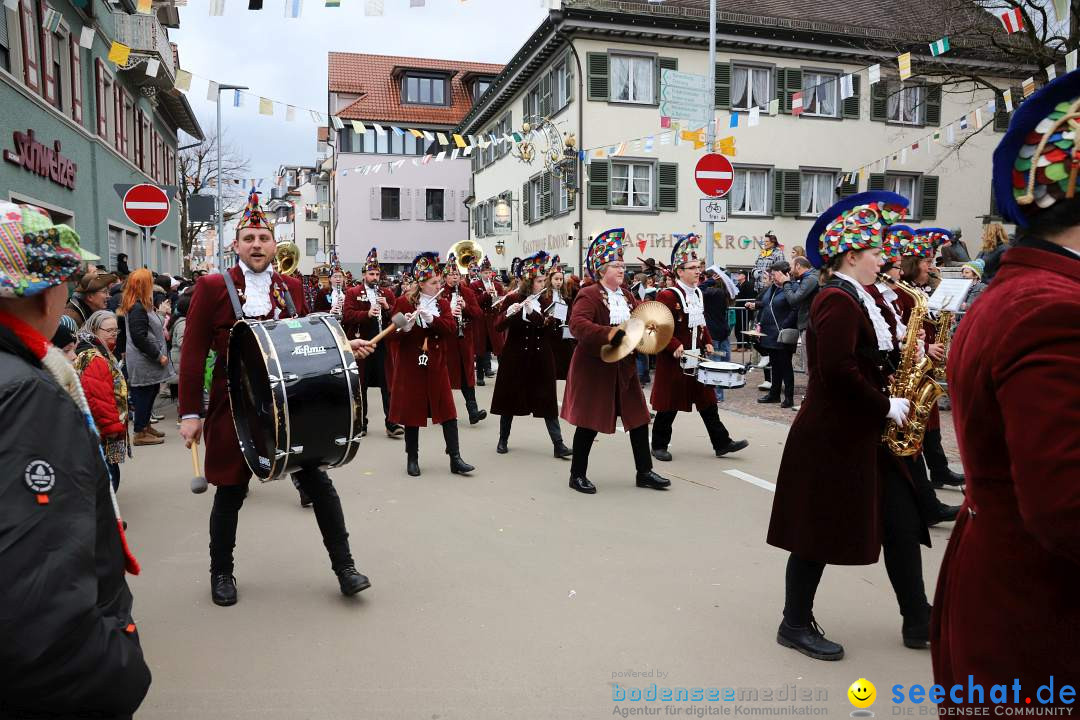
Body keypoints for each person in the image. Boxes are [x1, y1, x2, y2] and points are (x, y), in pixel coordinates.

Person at [932, 70, 1080, 706]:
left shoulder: (1014, 292)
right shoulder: (1052, 307)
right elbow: (1068, 507)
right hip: (1040, 611)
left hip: (1000, 581)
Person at [178, 190, 375, 606]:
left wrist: (343, 347)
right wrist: (190, 413)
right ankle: (222, 573)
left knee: (318, 482)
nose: (256, 245)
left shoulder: (291, 288)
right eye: (248, 238)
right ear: (236, 245)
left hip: (288, 406)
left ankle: (346, 568)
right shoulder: (213, 286)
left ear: (274, 244)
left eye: (263, 238)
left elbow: (305, 342)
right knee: (230, 492)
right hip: (235, 406)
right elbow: (193, 354)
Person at [767, 191, 933, 660]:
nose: (886, 258)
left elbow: (869, 358)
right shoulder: (835, 299)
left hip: (867, 432)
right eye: (878, 251)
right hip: (833, 433)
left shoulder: (864, 297)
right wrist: (885, 404)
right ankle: (794, 622)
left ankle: (917, 617)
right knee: (816, 528)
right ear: (853, 254)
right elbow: (837, 369)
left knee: (901, 521)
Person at [0, 202, 150, 718]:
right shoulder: (26, 395)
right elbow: (37, 585)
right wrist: (115, 668)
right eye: (67, 279)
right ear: (44, 294)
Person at [561, 228, 670, 495]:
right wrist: (610, 333)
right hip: (595, 369)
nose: (622, 269)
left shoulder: (627, 295)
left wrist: (651, 332)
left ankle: (644, 472)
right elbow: (578, 325)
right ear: (601, 270)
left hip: (624, 368)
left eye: (622, 265)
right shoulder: (589, 294)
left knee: (638, 419)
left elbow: (639, 321)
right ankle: (577, 475)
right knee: (589, 422)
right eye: (615, 265)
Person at [649, 235, 748, 462]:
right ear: (679, 271)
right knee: (669, 405)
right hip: (674, 358)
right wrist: (674, 345)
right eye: (692, 268)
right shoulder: (667, 295)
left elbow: (701, 322)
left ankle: (722, 442)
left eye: (698, 267)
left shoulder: (698, 293)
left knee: (707, 401)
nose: (697, 271)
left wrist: (708, 341)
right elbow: (658, 326)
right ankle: (658, 445)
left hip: (697, 357)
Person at [387, 252, 476, 478]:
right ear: (421, 284)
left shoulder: (442, 303)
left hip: (437, 362)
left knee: (447, 410)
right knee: (413, 413)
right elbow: (391, 336)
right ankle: (412, 457)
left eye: (439, 281)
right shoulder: (404, 302)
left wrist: (431, 319)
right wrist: (404, 327)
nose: (439, 285)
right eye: (434, 282)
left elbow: (449, 329)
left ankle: (455, 458)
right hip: (412, 365)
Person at [897, 229, 965, 491]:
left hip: (927, 357)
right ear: (914, 264)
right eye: (928, 262)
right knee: (921, 416)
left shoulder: (922, 288)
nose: (932, 266)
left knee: (931, 415)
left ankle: (939, 468)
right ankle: (929, 474)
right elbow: (901, 328)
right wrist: (926, 346)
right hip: (914, 358)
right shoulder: (904, 292)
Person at [492, 251, 572, 458]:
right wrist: (512, 313)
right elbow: (498, 326)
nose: (543, 284)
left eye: (544, 280)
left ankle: (558, 444)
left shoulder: (547, 300)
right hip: (515, 355)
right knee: (509, 399)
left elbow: (553, 329)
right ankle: (503, 439)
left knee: (547, 399)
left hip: (540, 355)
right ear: (529, 282)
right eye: (539, 281)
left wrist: (534, 314)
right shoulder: (513, 299)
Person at [342, 249, 402, 438]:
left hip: (382, 344)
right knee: (362, 384)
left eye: (377, 274)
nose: (374, 277)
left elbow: (396, 318)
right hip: (362, 344)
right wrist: (366, 314)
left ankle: (391, 423)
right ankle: (361, 423)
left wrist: (387, 308)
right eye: (371, 274)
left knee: (387, 384)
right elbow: (347, 315)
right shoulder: (353, 292)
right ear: (364, 275)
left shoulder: (387, 293)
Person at [75, 310, 129, 493]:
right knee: (109, 475)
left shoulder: (98, 351)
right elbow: (99, 398)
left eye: (116, 331)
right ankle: (108, 519)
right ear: (95, 329)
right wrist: (113, 429)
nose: (114, 334)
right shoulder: (95, 357)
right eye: (109, 331)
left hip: (104, 428)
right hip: (104, 430)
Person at [117, 269, 169, 447]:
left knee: (150, 391)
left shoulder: (138, 305)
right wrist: (158, 355)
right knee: (143, 395)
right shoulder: (137, 307)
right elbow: (139, 337)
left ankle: (145, 427)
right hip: (145, 359)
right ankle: (140, 432)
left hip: (145, 359)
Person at [442, 255, 488, 425]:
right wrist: (450, 310)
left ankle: (473, 411)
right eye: (451, 274)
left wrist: (466, 307)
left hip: (464, 340)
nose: (455, 277)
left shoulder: (467, 292)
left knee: (466, 375)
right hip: (446, 340)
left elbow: (478, 314)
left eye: (457, 275)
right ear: (445, 277)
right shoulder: (441, 294)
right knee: (444, 376)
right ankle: (440, 411)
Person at [747, 261, 798, 407]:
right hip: (769, 333)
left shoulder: (792, 287)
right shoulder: (773, 288)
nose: (772, 277)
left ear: (783, 273)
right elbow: (767, 303)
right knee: (775, 365)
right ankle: (774, 394)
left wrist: (785, 325)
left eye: (774, 273)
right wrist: (755, 305)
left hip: (782, 334)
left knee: (785, 366)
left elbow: (795, 308)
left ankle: (788, 397)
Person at [470, 256, 505, 385]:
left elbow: (501, 302)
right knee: (481, 349)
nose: (488, 275)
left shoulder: (497, 285)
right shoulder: (474, 285)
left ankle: (504, 376)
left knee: (499, 349)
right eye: (485, 273)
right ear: (480, 273)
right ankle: (479, 376)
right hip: (481, 322)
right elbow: (474, 302)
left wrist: (496, 299)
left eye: (489, 272)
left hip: (493, 320)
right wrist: (485, 293)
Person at [546, 262, 575, 381]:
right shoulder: (546, 296)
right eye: (556, 279)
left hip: (563, 330)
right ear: (550, 280)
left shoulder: (566, 296)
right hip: (550, 329)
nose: (559, 282)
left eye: (561, 279)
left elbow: (570, 313)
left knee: (565, 355)